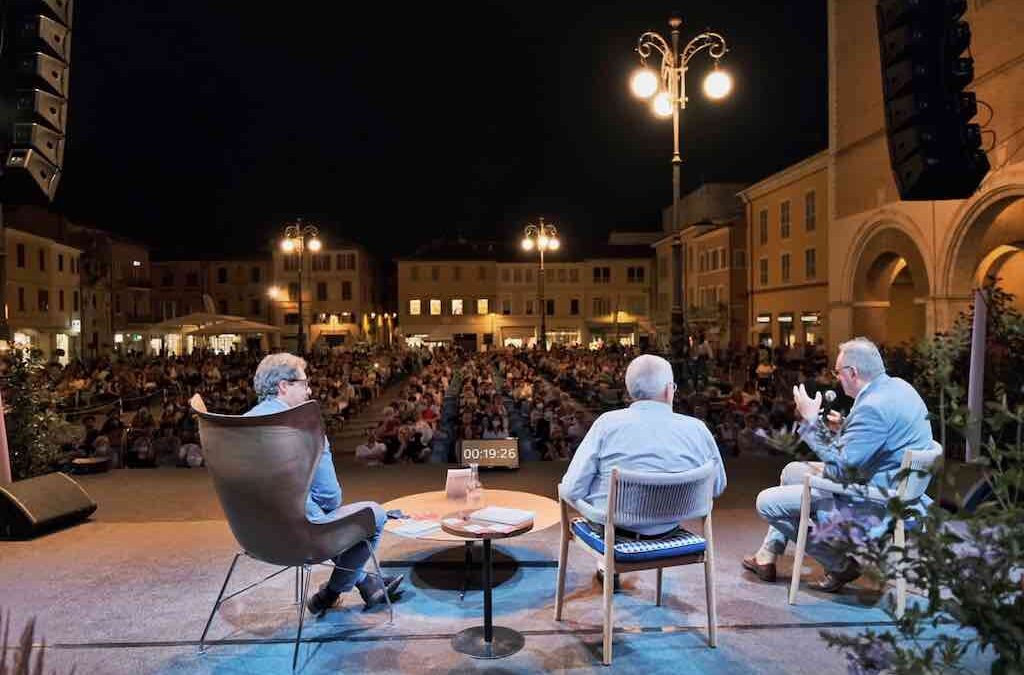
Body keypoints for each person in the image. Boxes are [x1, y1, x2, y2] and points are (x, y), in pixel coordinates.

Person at [743, 337, 934, 593]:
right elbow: (877, 441)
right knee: (791, 471)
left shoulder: (873, 408)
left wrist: (811, 421)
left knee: (767, 503)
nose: (836, 377)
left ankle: (839, 563)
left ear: (853, 372)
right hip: (891, 486)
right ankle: (767, 554)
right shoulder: (898, 388)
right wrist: (846, 427)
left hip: (873, 503)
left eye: (838, 371)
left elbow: (838, 471)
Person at [245, 353, 403, 616]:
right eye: (304, 383)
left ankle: (366, 584)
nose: (309, 391)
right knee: (372, 515)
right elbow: (331, 497)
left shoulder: (236, 426)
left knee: (316, 513)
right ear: (284, 386)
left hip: (253, 536)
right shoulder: (305, 426)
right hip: (300, 537)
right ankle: (333, 591)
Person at [560, 354, 727, 585]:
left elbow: (571, 489)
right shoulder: (698, 429)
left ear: (629, 392)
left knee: (574, 492)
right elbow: (717, 487)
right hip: (672, 530)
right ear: (670, 390)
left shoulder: (607, 424)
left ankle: (607, 565)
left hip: (617, 533)